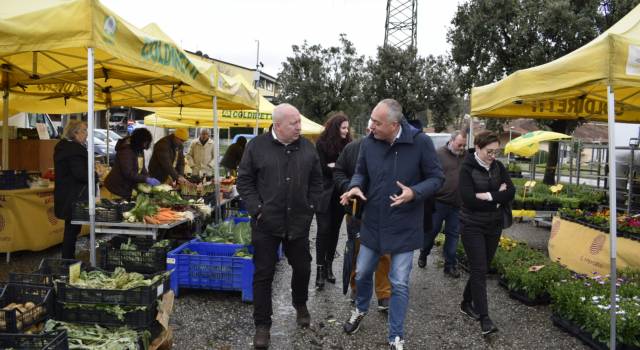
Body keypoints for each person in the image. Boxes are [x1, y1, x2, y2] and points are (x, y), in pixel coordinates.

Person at [340, 99, 444, 349]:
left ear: (394, 125)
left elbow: (437, 178)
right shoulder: (368, 143)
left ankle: (395, 335)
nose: (370, 126)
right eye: (372, 121)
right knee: (363, 272)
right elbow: (361, 171)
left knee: (398, 282)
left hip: (405, 226)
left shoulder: (420, 143)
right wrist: (354, 185)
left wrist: (414, 192)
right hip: (373, 223)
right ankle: (360, 308)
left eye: (376, 123)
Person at [236, 103, 323, 349]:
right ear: (277, 125)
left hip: (298, 221)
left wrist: (312, 206)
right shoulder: (256, 147)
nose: (299, 127)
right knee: (263, 274)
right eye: (294, 123)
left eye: (299, 122)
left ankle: (300, 303)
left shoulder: (307, 147)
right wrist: (257, 209)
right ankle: (262, 325)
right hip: (266, 223)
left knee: (303, 267)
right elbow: (244, 181)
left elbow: (317, 181)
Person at [458, 130, 515, 336]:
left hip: (494, 225)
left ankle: (465, 302)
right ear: (479, 148)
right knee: (480, 269)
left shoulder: (498, 167)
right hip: (471, 225)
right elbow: (469, 200)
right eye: (489, 152)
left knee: (481, 267)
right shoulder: (466, 168)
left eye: (496, 152)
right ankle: (485, 318)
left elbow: (511, 192)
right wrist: (497, 196)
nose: (493, 156)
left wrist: (489, 196)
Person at [334, 120, 391, 311]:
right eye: (371, 128)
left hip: (383, 211)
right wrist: (349, 187)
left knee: (385, 253)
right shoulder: (351, 149)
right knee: (356, 251)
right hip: (357, 211)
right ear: (367, 129)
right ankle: (356, 288)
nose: (374, 131)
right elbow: (339, 172)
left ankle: (384, 294)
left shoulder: (390, 149)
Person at [418, 131, 467, 278]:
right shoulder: (438, 154)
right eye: (459, 145)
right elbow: (428, 174)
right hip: (438, 203)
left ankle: (450, 266)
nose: (462, 148)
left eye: (464, 145)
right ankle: (424, 252)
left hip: (457, 205)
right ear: (451, 141)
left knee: (453, 235)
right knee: (431, 232)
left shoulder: (466, 157)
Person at [314, 112, 352, 291]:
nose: (346, 130)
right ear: (335, 128)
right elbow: (321, 168)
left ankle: (329, 266)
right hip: (324, 194)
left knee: (335, 230)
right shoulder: (321, 143)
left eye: (347, 127)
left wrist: (334, 166)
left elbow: (349, 168)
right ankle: (319, 270)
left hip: (340, 194)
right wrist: (338, 168)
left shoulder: (349, 144)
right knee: (323, 230)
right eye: (343, 127)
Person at [54, 120, 90, 259]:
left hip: (67, 194)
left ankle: (68, 259)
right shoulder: (74, 150)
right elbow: (80, 174)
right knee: (72, 229)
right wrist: (94, 174)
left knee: (71, 228)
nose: (86, 134)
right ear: (75, 133)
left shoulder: (63, 147)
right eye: (84, 131)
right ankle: (67, 261)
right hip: (74, 196)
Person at [104, 128, 159, 199]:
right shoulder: (126, 151)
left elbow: (142, 168)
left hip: (127, 186)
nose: (145, 146)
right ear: (139, 141)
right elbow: (128, 173)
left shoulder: (139, 150)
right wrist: (146, 179)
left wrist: (148, 177)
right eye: (145, 142)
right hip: (118, 186)